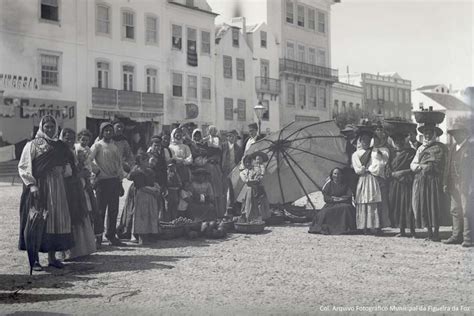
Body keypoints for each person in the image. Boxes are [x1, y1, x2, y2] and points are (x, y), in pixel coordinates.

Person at [18, 115, 75, 270]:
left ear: (56, 127)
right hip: (40, 187)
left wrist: (63, 170)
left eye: (52, 126)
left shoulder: (60, 146)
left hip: (58, 187)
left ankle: (52, 257)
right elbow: (24, 166)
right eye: (46, 126)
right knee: (37, 221)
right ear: (41, 128)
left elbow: (68, 166)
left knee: (55, 221)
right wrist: (32, 185)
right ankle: (35, 259)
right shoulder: (33, 145)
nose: (49, 129)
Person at [59, 128, 96, 259]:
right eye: (66, 138)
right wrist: (80, 174)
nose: (69, 141)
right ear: (61, 138)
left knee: (79, 214)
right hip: (66, 189)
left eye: (71, 138)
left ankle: (80, 249)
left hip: (76, 188)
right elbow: (63, 175)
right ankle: (68, 251)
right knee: (70, 218)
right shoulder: (60, 153)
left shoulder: (72, 152)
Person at [90, 122, 126, 247]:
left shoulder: (115, 146)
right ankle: (98, 236)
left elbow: (119, 165)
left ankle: (111, 235)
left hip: (114, 181)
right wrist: (97, 171)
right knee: (100, 210)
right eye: (106, 131)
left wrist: (120, 181)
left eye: (111, 130)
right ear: (102, 132)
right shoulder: (97, 146)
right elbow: (88, 160)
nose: (109, 133)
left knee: (113, 210)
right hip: (102, 182)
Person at [410, 123, 447, 242]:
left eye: (429, 133)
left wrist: (430, 166)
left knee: (434, 205)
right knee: (424, 205)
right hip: (423, 180)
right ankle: (429, 232)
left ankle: (436, 232)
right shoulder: (420, 148)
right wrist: (421, 166)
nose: (427, 135)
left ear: (434, 134)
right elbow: (413, 164)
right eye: (425, 133)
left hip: (434, 180)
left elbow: (441, 163)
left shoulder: (440, 147)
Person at [443, 122, 473, 247]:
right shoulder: (452, 148)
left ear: (464, 133)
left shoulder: (471, 148)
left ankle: (468, 238)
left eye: (458, 133)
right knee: (455, 210)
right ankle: (456, 236)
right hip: (453, 183)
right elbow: (447, 167)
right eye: (454, 133)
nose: (456, 135)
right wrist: (445, 183)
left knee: (467, 210)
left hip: (466, 184)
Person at [124, 153, 161, 245]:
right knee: (141, 215)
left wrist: (156, 188)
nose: (147, 162)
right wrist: (153, 191)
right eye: (145, 160)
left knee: (150, 214)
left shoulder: (149, 171)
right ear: (140, 162)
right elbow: (141, 187)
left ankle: (150, 234)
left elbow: (153, 182)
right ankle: (141, 236)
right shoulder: (137, 172)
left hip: (150, 196)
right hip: (142, 195)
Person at [352, 127, 383, 235]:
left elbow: (378, 166)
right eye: (363, 139)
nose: (365, 142)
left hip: (371, 178)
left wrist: (369, 169)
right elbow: (357, 169)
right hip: (362, 179)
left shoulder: (374, 152)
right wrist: (362, 169)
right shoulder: (356, 154)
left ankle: (373, 226)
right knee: (362, 200)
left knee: (371, 201)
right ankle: (362, 226)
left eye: (368, 140)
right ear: (360, 141)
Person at [308, 168, 356, 235]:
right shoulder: (329, 185)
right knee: (325, 212)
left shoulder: (345, 185)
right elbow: (326, 197)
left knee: (346, 208)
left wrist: (340, 199)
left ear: (342, 175)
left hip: (343, 203)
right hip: (331, 204)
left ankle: (344, 228)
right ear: (332, 175)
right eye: (335, 174)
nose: (337, 176)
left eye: (339, 174)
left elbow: (349, 195)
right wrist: (333, 199)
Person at [388, 132, 416, 237]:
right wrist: (392, 174)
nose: (398, 143)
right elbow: (387, 168)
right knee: (397, 205)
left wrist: (402, 173)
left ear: (404, 141)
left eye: (400, 141)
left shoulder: (411, 153)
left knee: (408, 205)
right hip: (395, 183)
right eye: (396, 141)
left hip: (406, 182)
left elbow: (413, 168)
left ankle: (412, 230)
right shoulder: (391, 153)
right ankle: (402, 230)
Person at [238, 152, 271, 222]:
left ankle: (260, 218)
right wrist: (254, 180)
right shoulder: (242, 172)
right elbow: (246, 181)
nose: (247, 164)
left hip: (257, 189)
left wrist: (259, 177)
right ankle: (249, 218)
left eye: (249, 162)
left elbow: (260, 177)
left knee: (259, 204)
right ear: (244, 163)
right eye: (246, 162)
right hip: (249, 190)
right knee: (249, 205)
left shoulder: (255, 169)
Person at [372, 123, 391, 228]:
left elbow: (385, 162)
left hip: (382, 177)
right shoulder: (371, 149)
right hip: (373, 176)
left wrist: (382, 155)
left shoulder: (386, 149)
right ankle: (375, 223)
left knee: (383, 200)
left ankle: (384, 222)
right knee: (374, 201)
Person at [221, 130, 243, 215]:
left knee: (233, 190)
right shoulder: (223, 146)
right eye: (229, 136)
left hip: (234, 171)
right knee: (224, 190)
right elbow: (220, 158)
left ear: (235, 138)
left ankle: (232, 209)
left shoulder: (238, 148)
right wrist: (221, 169)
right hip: (225, 170)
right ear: (227, 137)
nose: (231, 138)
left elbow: (240, 161)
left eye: (233, 137)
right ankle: (224, 210)